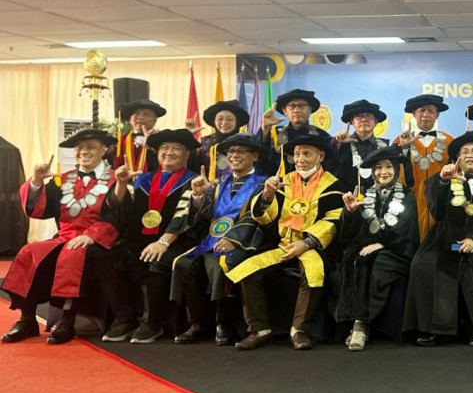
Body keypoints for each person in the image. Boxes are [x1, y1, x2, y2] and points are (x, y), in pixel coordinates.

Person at [226, 135, 345, 350]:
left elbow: (333, 220)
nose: (300, 159)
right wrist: (267, 195)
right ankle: (260, 329)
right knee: (247, 270)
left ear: (321, 155)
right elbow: (265, 218)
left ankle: (298, 329)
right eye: (297, 154)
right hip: (283, 244)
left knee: (314, 272)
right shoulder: (283, 181)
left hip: (311, 246)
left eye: (307, 153)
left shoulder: (334, 185)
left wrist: (307, 243)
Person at [1, 130, 121, 345]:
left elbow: (119, 214)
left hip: (94, 238)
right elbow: (38, 210)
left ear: (104, 150)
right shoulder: (63, 180)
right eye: (79, 147)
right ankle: (27, 319)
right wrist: (37, 180)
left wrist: (93, 235)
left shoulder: (115, 180)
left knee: (72, 256)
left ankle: (67, 321)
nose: (84, 151)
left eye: (90, 147)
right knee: (29, 252)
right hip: (64, 236)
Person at [167, 133, 272, 345]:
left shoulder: (263, 183)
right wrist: (197, 196)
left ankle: (223, 322)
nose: (234, 156)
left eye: (240, 151)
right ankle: (199, 322)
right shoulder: (219, 183)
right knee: (184, 263)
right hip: (212, 240)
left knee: (222, 262)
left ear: (254, 156)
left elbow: (256, 217)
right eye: (231, 152)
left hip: (247, 241)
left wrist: (233, 239)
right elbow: (205, 216)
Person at [404, 133, 473, 346]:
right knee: (423, 264)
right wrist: (442, 181)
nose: (470, 156)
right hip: (444, 238)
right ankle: (431, 328)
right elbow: (437, 212)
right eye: (464, 152)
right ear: (456, 158)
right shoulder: (441, 180)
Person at [101, 129, 202, 344]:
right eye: (165, 148)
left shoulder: (192, 181)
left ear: (186, 155)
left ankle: (151, 322)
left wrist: (163, 242)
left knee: (155, 261)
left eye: (176, 148)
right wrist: (120, 183)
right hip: (140, 238)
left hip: (177, 240)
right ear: (156, 154)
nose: (169, 152)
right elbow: (119, 209)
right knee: (111, 258)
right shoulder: (142, 179)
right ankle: (125, 319)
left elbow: (185, 216)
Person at [339, 145, 419, 351]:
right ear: (372, 172)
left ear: (396, 170)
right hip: (370, 248)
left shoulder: (407, 195)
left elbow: (404, 230)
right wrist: (349, 212)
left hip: (399, 251)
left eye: (389, 167)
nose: (383, 172)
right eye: (378, 167)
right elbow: (351, 232)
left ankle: (362, 323)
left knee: (378, 262)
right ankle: (351, 321)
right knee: (351, 258)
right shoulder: (364, 195)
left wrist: (382, 243)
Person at [395, 94, 453, 241]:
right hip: (411, 201)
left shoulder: (450, 142)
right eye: (421, 111)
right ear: (414, 114)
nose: (426, 115)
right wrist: (405, 149)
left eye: (430, 111)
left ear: (437, 115)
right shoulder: (400, 141)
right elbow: (393, 172)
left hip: (439, 203)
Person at [259, 88, 335, 176]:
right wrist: (265, 128)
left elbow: (332, 163)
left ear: (310, 109)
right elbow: (261, 158)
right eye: (292, 106)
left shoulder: (321, 136)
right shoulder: (274, 133)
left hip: (313, 185)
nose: (297, 110)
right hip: (279, 185)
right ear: (285, 111)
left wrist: (339, 144)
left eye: (302, 105)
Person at [331, 99, 393, 193]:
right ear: (352, 121)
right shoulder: (340, 145)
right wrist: (337, 143)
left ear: (376, 121)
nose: (364, 119)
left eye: (368, 116)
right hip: (344, 201)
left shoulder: (385, 148)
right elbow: (327, 166)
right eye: (358, 117)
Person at [189, 100, 249, 184]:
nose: (224, 123)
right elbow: (192, 167)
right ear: (214, 121)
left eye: (230, 119)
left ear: (237, 122)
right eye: (220, 119)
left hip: (238, 191)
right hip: (208, 191)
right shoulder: (203, 143)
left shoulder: (246, 143)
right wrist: (189, 136)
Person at [115, 98, 166, 172]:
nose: (141, 117)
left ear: (155, 119)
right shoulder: (119, 141)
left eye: (146, 114)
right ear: (130, 119)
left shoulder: (162, 141)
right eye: (136, 114)